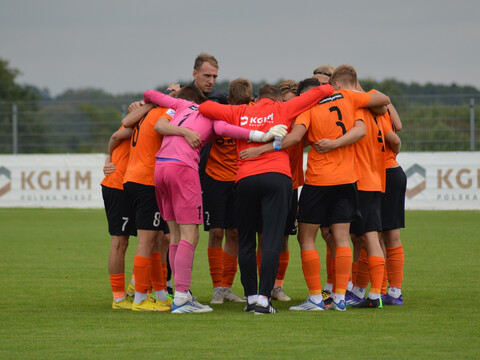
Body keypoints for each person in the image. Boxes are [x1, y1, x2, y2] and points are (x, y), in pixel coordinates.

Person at [143, 85, 285, 313]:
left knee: (174, 235)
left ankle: (180, 294)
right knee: (190, 234)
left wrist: (162, 98)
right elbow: (231, 129)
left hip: (160, 167)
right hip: (182, 168)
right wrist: (262, 135)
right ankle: (181, 299)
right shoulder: (212, 117)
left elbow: (150, 93)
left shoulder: (182, 105)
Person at [199, 82, 335, 314]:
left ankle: (251, 297)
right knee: (271, 238)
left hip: (245, 177)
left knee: (246, 240)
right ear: (277, 99)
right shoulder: (284, 109)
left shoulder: (241, 112)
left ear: (257, 98)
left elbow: (205, 108)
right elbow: (325, 91)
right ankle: (264, 299)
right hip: (277, 177)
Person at [121, 101, 175, 312]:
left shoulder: (144, 113)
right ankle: (140, 298)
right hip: (147, 181)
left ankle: (160, 295)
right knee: (147, 241)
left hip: (134, 178)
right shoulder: (166, 113)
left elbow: (121, 130)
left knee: (155, 240)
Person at [205, 79, 254, 304]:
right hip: (215, 180)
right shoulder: (216, 115)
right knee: (216, 233)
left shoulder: (251, 115)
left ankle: (226, 286)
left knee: (234, 233)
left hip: (239, 179)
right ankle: (217, 287)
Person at [379, 103, 405, 305]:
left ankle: (381, 289)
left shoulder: (367, 105)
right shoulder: (381, 101)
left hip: (384, 173)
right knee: (387, 234)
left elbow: (395, 139)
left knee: (376, 233)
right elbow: (399, 125)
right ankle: (393, 291)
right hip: (392, 170)